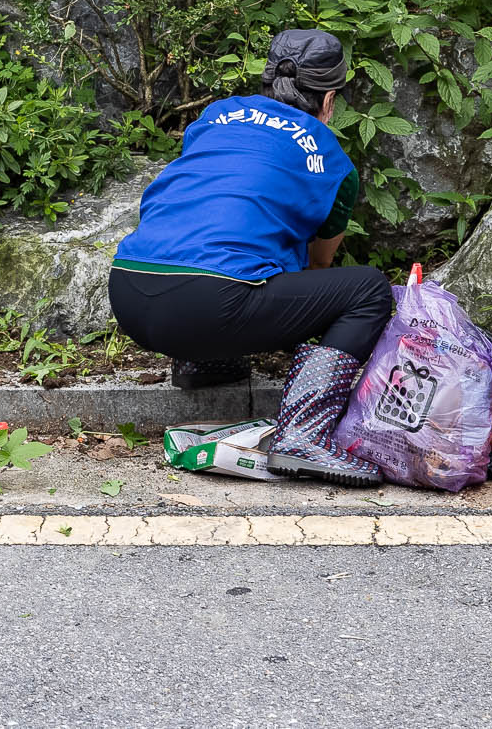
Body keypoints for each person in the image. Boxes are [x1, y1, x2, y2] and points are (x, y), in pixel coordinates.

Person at [108, 30, 391, 485]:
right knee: (367, 290)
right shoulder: (331, 159)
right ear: (330, 99)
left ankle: (202, 363)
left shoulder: (217, 114)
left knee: (237, 271)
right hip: (210, 301)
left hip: (127, 289)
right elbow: (317, 268)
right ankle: (303, 435)